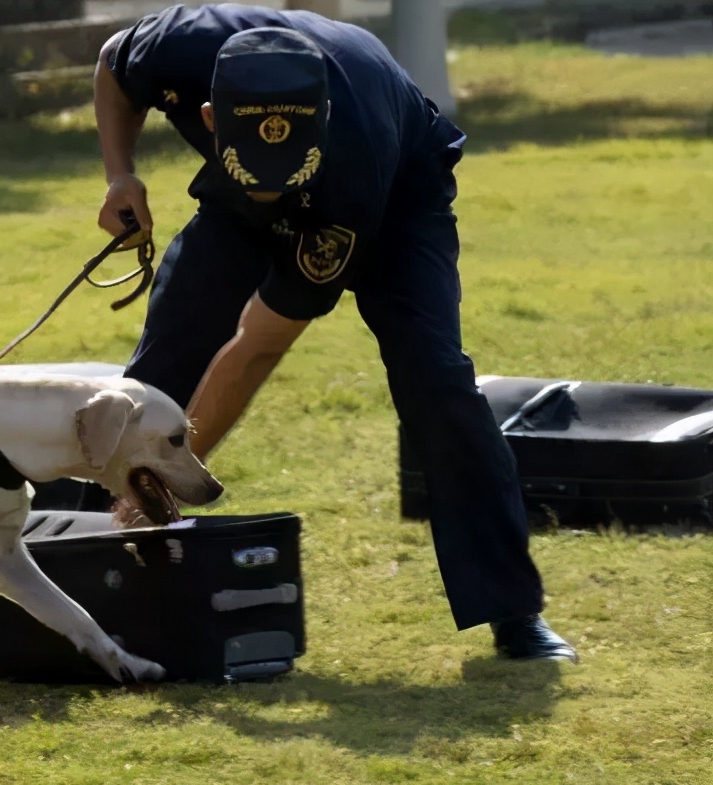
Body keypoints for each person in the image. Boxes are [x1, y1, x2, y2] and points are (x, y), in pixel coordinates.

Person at [93, 4, 576, 661]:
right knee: (168, 356)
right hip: (240, 200)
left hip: (395, 198)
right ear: (210, 119)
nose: (271, 194)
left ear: (319, 121)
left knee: (434, 380)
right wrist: (120, 174)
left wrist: (171, 474)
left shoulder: (352, 169)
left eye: (283, 174)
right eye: (256, 170)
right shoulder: (180, 44)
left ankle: (511, 610)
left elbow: (258, 346)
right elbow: (113, 65)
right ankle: (85, 559)